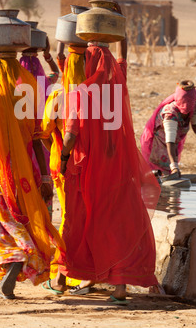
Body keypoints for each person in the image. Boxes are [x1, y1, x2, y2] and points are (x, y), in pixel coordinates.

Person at [43, 43, 161, 304]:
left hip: (87, 173)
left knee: (77, 223)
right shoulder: (118, 86)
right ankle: (119, 289)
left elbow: (71, 134)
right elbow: (122, 60)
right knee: (116, 225)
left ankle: (62, 279)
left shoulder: (80, 94)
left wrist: (63, 160)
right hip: (118, 170)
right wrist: (119, 36)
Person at [0, 55, 64, 299]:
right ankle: (21, 255)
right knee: (19, 217)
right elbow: (36, 142)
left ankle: (16, 256)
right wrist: (44, 177)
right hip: (24, 172)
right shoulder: (26, 103)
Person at [40, 41, 87, 293]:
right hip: (94, 165)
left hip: (65, 164)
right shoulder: (100, 93)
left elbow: (44, 130)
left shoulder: (60, 95)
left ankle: (61, 278)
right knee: (90, 216)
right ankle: (89, 275)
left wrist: (58, 151)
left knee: (69, 218)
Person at [19, 37, 60, 218]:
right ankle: (46, 226)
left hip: (21, 145)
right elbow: (55, 72)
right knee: (45, 187)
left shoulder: (16, 86)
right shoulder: (46, 83)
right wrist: (47, 55)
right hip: (43, 146)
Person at [140, 80, 196, 177]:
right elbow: (170, 140)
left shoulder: (195, 107)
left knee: (170, 173)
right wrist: (174, 166)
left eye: (189, 103)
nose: (186, 107)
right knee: (159, 171)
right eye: (184, 103)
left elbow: (195, 123)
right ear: (179, 100)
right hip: (160, 142)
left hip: (173, 142)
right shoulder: (170, 113)